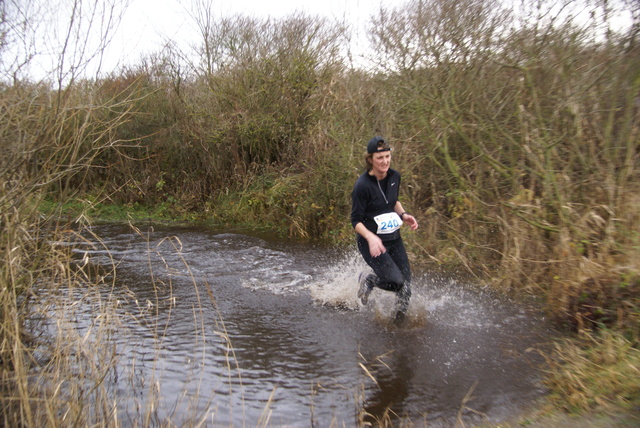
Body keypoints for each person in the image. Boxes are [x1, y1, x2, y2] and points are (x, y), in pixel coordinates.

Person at [351, 136, 419, 325]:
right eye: (380, 158)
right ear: (370, 159)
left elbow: (393, 201)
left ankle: (398, 325)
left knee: (406, 288)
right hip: (370, 243)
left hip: (394, 239)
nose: (385, 161)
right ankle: (369, 280)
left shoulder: (394, 177)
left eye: (387, 156)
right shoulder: (362, 186)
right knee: (395, 281)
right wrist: (371, 238)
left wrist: (403, 215)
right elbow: (355, 221)